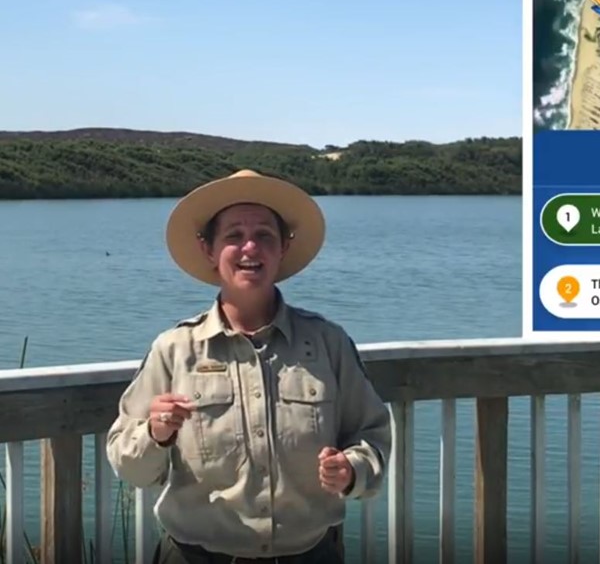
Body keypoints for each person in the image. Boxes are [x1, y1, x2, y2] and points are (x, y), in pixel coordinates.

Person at [106, 169, 392, 563]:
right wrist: (156, 435)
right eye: (234, 236)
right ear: (208, 249)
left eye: (264, 236)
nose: (250, 248)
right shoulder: (174, 350)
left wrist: (352, 471)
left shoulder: (329, 343)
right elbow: (130, 467)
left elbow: (373, 435)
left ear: (283, 248)